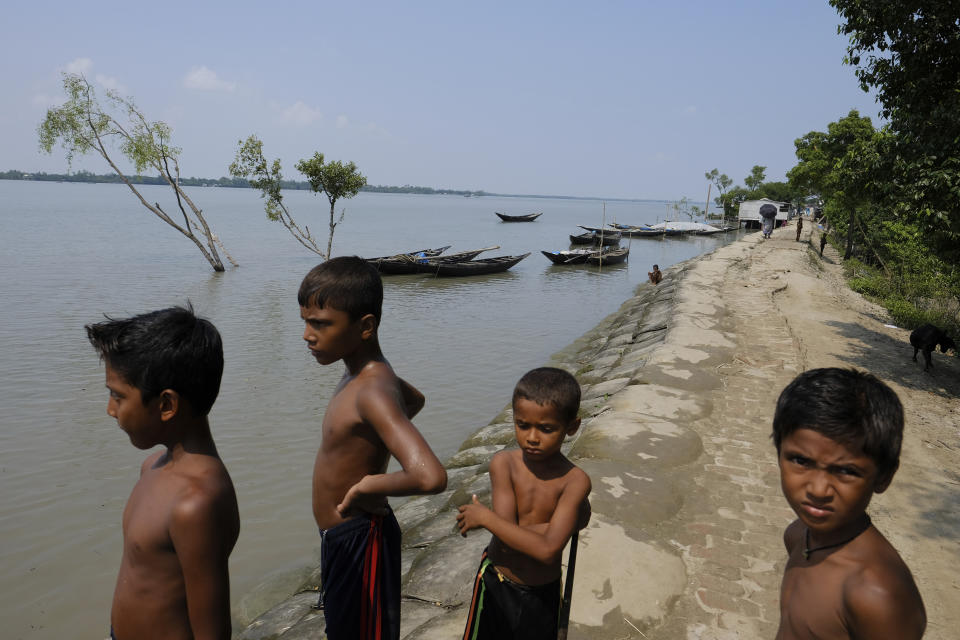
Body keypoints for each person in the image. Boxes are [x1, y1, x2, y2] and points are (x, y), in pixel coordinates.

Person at [301, 256, 447, 640]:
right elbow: (414, 400)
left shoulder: (371, 390)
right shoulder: (363, 376)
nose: (307, 335)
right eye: (306, 321)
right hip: (342, 538)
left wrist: (368, 485)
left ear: (365, 326)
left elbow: (429, 476)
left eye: (320, 324)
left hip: (361, 539)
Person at [86, 306, 240, 640]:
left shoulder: (197, 504)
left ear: (167, 405)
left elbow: (212, 631)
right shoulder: (152, 466)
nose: (110, 409)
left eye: (118, 396)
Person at [772, 368, 926, 639]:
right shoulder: (798, 535)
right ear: (779, 453)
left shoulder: (876, 595)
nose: (819, 489)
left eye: (846, 471)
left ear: (883, 477)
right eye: (800, 460)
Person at [456, 367, 592, 640]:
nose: (531, 437)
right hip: (496, 583)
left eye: (546, 428)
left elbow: (547, 552)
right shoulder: (503, 464)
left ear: (572, 427)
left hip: (542, 593)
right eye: (522, 425)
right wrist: (557, 528)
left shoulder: (575, 480)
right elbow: (507, 539)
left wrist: (485, 518)